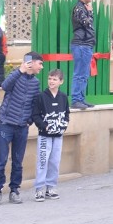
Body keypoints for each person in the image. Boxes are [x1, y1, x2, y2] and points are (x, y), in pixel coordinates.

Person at [0, 52, 42, 206]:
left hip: (22, 127)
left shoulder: (36, 82)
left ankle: (14, 191)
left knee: (18, 161)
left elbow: (35, 103)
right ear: (31, 63)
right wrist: (20, 70)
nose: (41, 67)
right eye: (40, 63)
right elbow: (4, 86)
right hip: (5, 124)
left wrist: (29, 121)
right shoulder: (15, 75)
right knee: (1, 161)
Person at [31, 68, 70, 201]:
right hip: (44, 135)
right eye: (49, 79)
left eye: (54, 79)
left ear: (61, 81)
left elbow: (66, 114)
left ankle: (51, 187)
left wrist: (63, 125)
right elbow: (35, 115)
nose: (51, 81)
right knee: (43, 161)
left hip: (58, 135)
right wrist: (44, 126)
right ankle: (39, 189)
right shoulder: (41, 97)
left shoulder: (63, 97)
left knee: (55, 161)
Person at [69, 0, 96, 110]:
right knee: (79, 73)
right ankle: (76, 99)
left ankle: (81, 98)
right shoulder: (78, 8)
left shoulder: (83, 8)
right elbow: (87, 23)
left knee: (84, 74)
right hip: (81, 44)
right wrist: (90, 12)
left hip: (86, 44)